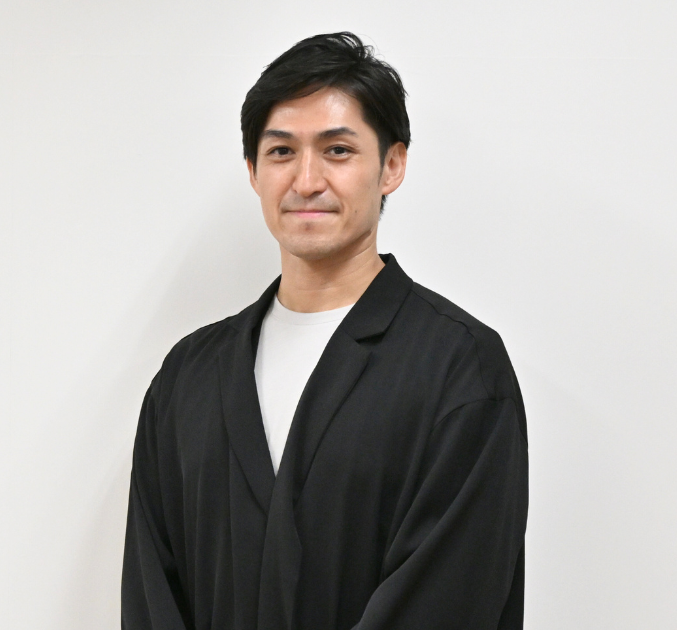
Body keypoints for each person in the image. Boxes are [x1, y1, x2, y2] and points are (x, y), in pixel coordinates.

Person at [122, 32, 528, 630]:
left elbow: (450, 600)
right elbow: (151, 596)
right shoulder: (188, 377)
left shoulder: (459, 367)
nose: (306, 180)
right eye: (281, 152)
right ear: (253, 171)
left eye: (337, 150)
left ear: (392, 165)